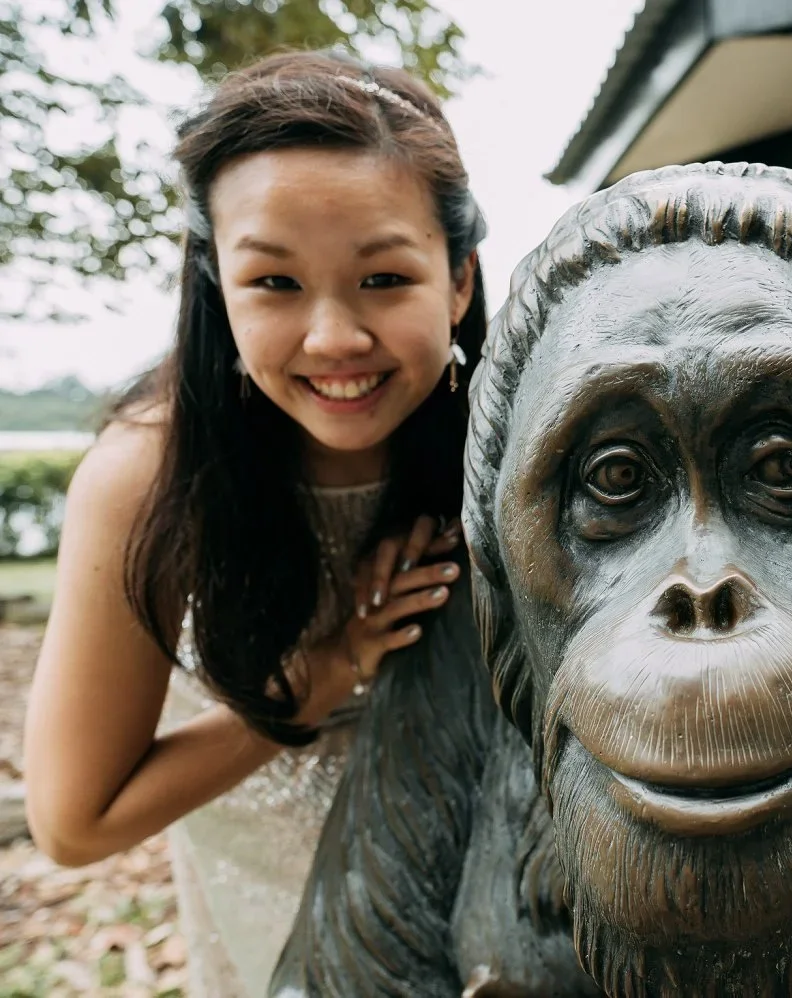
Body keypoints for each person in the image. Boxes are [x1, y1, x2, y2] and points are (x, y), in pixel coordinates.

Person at [22, 50, 488, 881]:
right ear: (218, 289)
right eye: (275, 282)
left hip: (496, 895)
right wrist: (328, 669)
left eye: (383, 277)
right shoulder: (147, 476)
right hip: (267, 912)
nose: (334, 338)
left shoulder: (523, 436)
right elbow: (74, 823)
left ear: (457, 281)